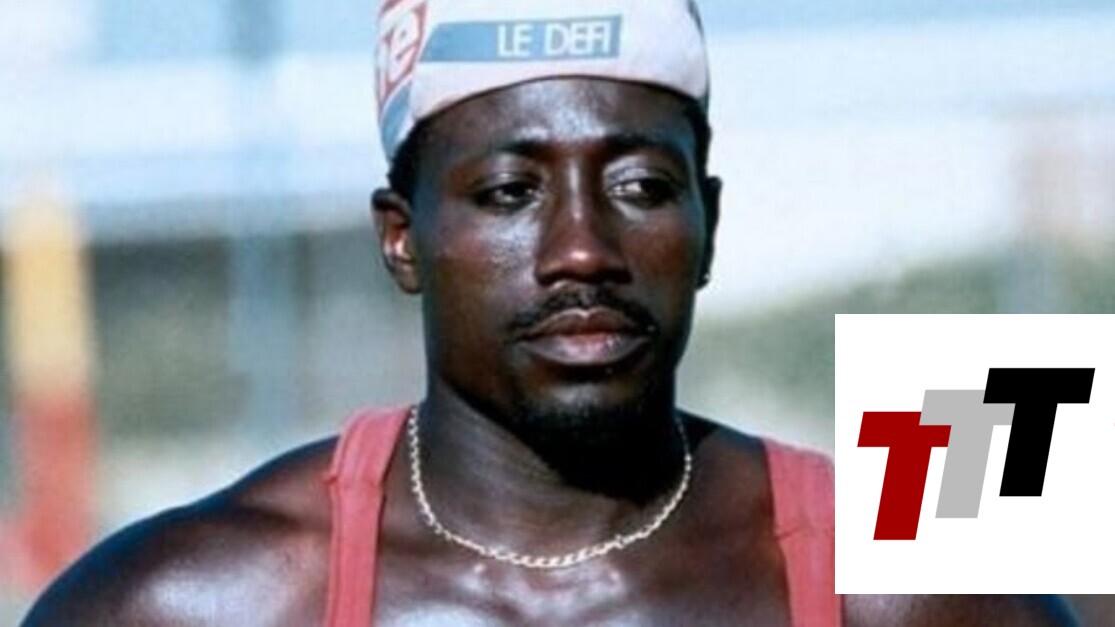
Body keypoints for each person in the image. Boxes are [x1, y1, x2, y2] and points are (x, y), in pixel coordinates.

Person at [24, 1, 1079, 625]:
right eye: (507, 192)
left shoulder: (903, 581)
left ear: (708, 222)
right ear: (401, 238)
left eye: (639, 186)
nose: (582, 249)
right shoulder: (198, 599)